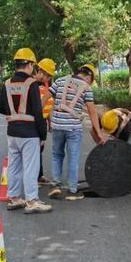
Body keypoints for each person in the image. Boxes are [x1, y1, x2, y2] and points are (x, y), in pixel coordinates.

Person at [0, 48, 52, 214]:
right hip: (29, 133)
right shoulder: (31, 84)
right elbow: (37, 111)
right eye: (32, 65)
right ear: (29, 64)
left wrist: (14, 114)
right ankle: (32, 201)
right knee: (30, 167)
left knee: (14, 165)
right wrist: (42, 134)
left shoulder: (7, 83)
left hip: (12, 132)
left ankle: (14, 198)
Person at [43, 64, 107, 200]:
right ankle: (72, 191)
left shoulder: (60, 81)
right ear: (89, 76)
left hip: (57, 125)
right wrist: (99, 134)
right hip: (73, 127)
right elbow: (92, 112)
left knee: (56, 155)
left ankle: (55, 185)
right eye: (91, 80)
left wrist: (39, 114)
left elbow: (46, 97)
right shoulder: (87, 88)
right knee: (73, 158)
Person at [34, 58, 56, 186]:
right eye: (47, 75)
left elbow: (49, 105)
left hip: (42, 122)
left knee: (39, 149)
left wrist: (50, 122)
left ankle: (39, 175)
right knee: (34, 151)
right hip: (33, 122)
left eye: (49, 76)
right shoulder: (31, 85)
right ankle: (34, 177)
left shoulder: (48, 87)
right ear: (40, 71)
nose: (48, 78)